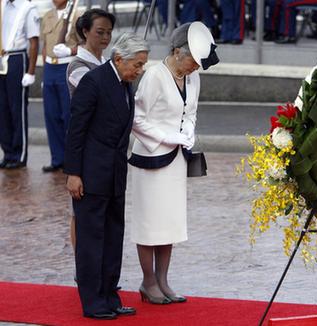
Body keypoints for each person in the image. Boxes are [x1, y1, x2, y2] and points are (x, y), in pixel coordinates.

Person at [128, 22, 219, 304]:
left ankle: (164, 280)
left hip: (177, 158)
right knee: (149, 222)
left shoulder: (193, 78)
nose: (196, 67)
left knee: (169, 222)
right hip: (151, 157)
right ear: (178, 52)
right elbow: (136, 118)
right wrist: (167, 137)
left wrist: (188, 133)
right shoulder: (155, 76)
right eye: (193, 61)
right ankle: (148, 281)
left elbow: (191, 111)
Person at [64, 32, 148, 319]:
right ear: (118, 58)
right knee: (91, 240)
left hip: (114, 176)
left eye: (143, 65)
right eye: (137, 65)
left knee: (113, 237)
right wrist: (73, 173)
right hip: (89, 175)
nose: (140, 71)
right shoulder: (94, 81)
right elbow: (76, 131)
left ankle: (110, 296)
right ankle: (92, 302)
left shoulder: (124, 84)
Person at [66, 8, 115, 256]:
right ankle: (81, 265)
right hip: (84, 143)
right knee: (80, 211)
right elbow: (97, 92)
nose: (105, 38)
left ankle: (98, 265)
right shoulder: (76, 65)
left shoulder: (107, 64)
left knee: (103, 211)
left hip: (105, 147)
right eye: (99, 32)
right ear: (85, 32)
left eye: (108, 32)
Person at [40, 0, 80, 172]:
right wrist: (44, 72)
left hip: (66, 66)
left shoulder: (77, 15)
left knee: (67, 114)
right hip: (50, 67)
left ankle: (71, 160)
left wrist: (70, 51)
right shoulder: (47, 16)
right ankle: (57, 158)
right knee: (51, 114)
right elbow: (45, 45)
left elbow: (86, 45)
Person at [0, 0, 39, 169]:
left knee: (17, 109)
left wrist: (30, 72)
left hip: (17, 58)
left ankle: (19, 154)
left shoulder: (27, 8)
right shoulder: (3, 6)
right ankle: (7, 152)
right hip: (2, 58)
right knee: (2, 109)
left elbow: (33, 42)